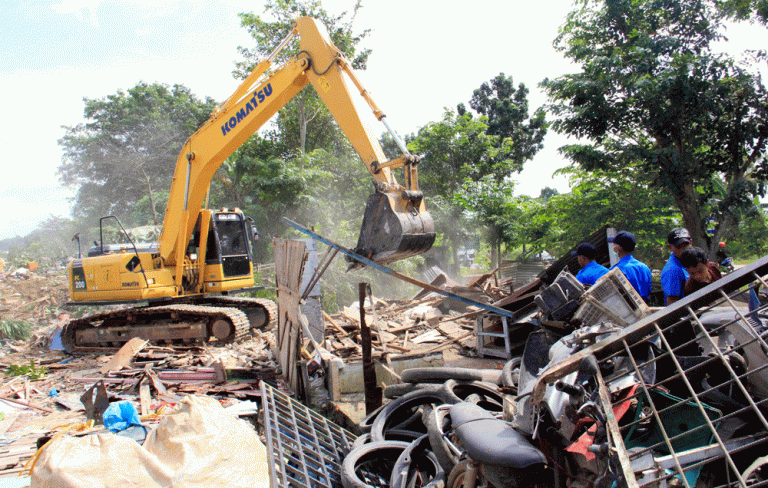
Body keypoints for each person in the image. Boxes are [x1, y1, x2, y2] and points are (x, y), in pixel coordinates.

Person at [609, 231, 652, 303]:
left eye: (614, 245)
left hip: (626, 308)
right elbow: (648, 293)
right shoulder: (645, 267)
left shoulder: (617, 270)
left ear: (619, 248)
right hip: (645, 307)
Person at [661, 227, 692, 305]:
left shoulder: (690, 262)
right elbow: (672, 304)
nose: (683, 249)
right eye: (679, 246)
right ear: (670, 247)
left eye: (686, 245)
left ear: (691, 242)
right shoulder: (672, 270)